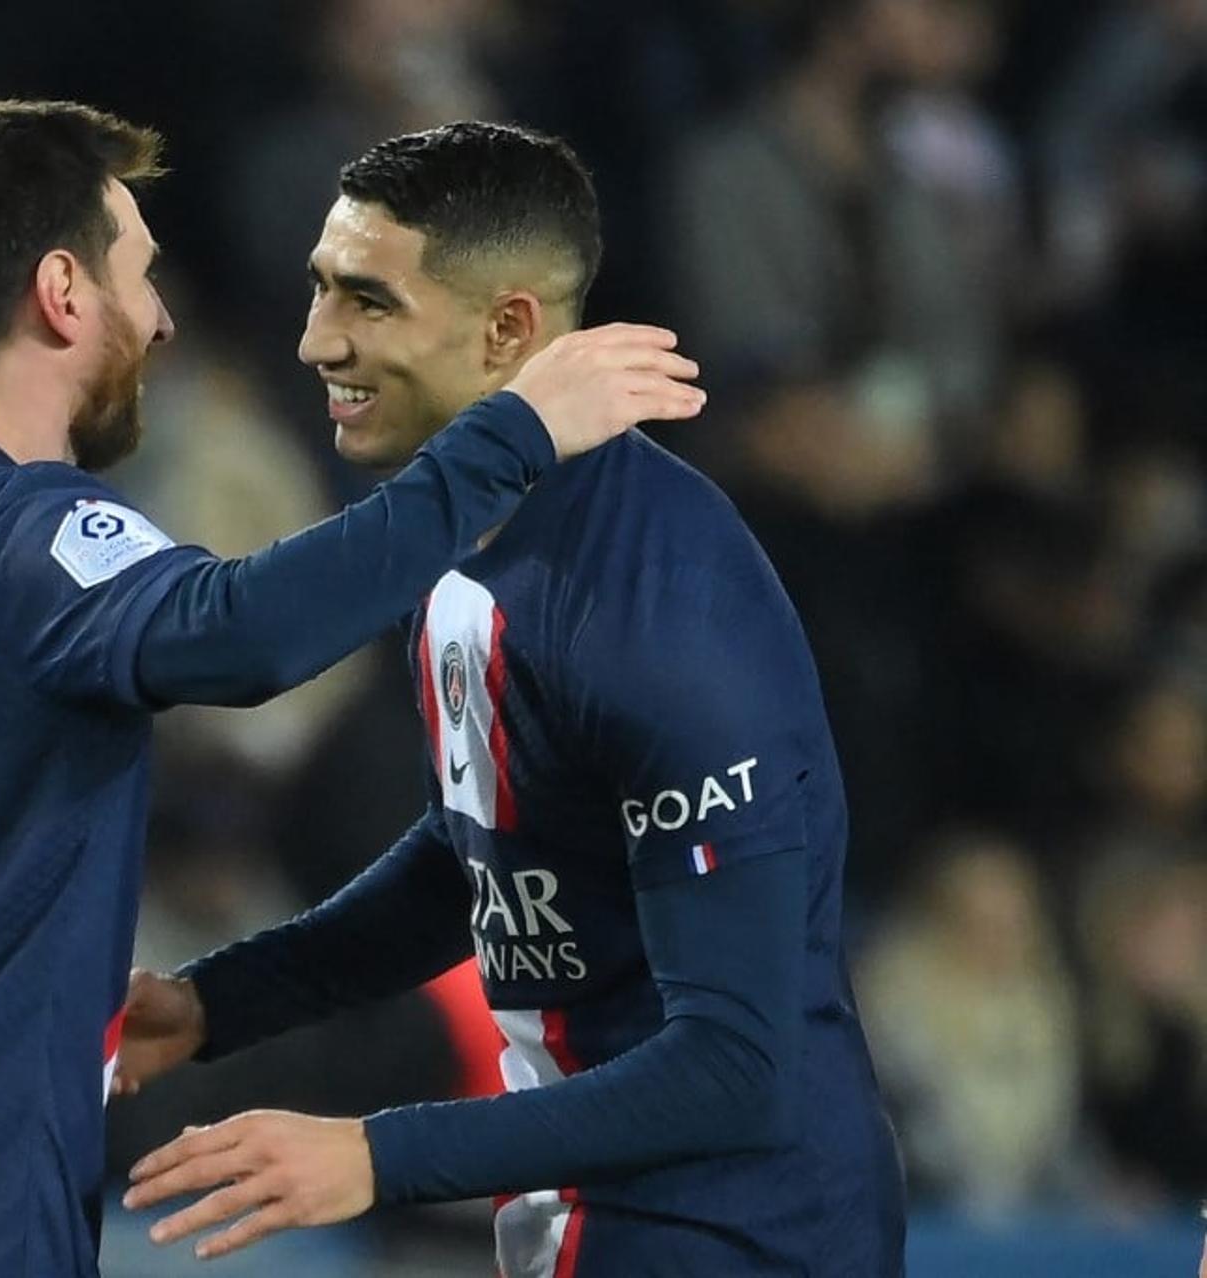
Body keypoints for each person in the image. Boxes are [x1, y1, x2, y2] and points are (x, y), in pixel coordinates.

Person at [0, 100, 703, 1278]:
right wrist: (510, 436)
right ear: (63, 293)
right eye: (142, 277)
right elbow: (241, 636)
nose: (160, 323)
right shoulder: (16, 531)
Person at [118, 121, 905, 1277]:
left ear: (507, 333)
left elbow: (735, 1063)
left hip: (743, 1243)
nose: (314, 342)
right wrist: (217, 1005)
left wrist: (377, 1155)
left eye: (368, 303)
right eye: (318, 290)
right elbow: (483, 857)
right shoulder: (460, 539)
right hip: (595, 1228)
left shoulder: (659, 604)